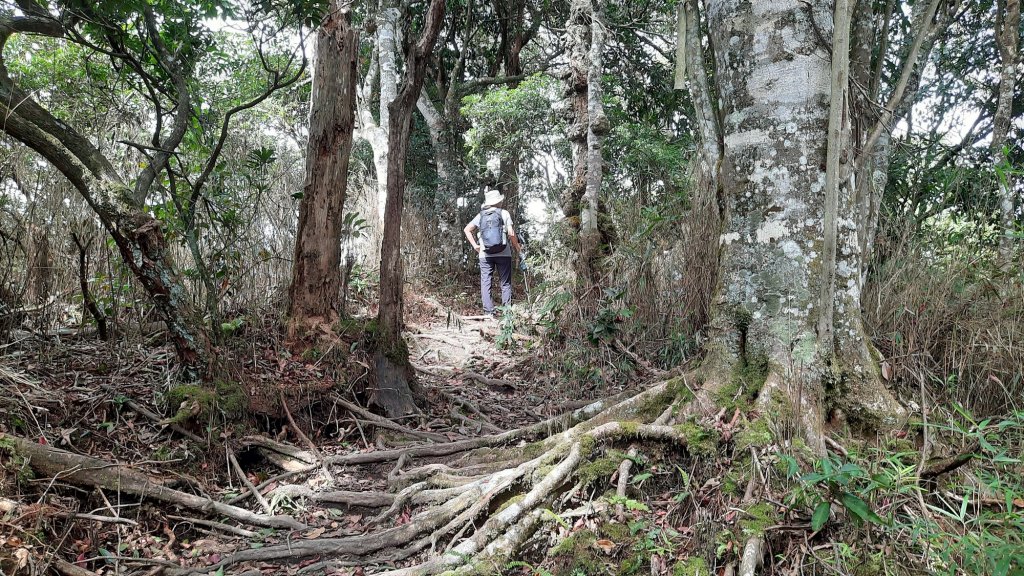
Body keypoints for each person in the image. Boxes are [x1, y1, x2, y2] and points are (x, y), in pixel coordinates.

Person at [464, 189, 526, 317]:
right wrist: (518, 249)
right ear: (498, 201)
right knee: (505, 283)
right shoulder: (504, 213)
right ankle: (507, 313)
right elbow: (511, 233)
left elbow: (467, 230)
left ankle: (488, 313)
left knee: (486, 282)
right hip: (504, 253)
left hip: (485, 254)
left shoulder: (481, 215)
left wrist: (476, 245)